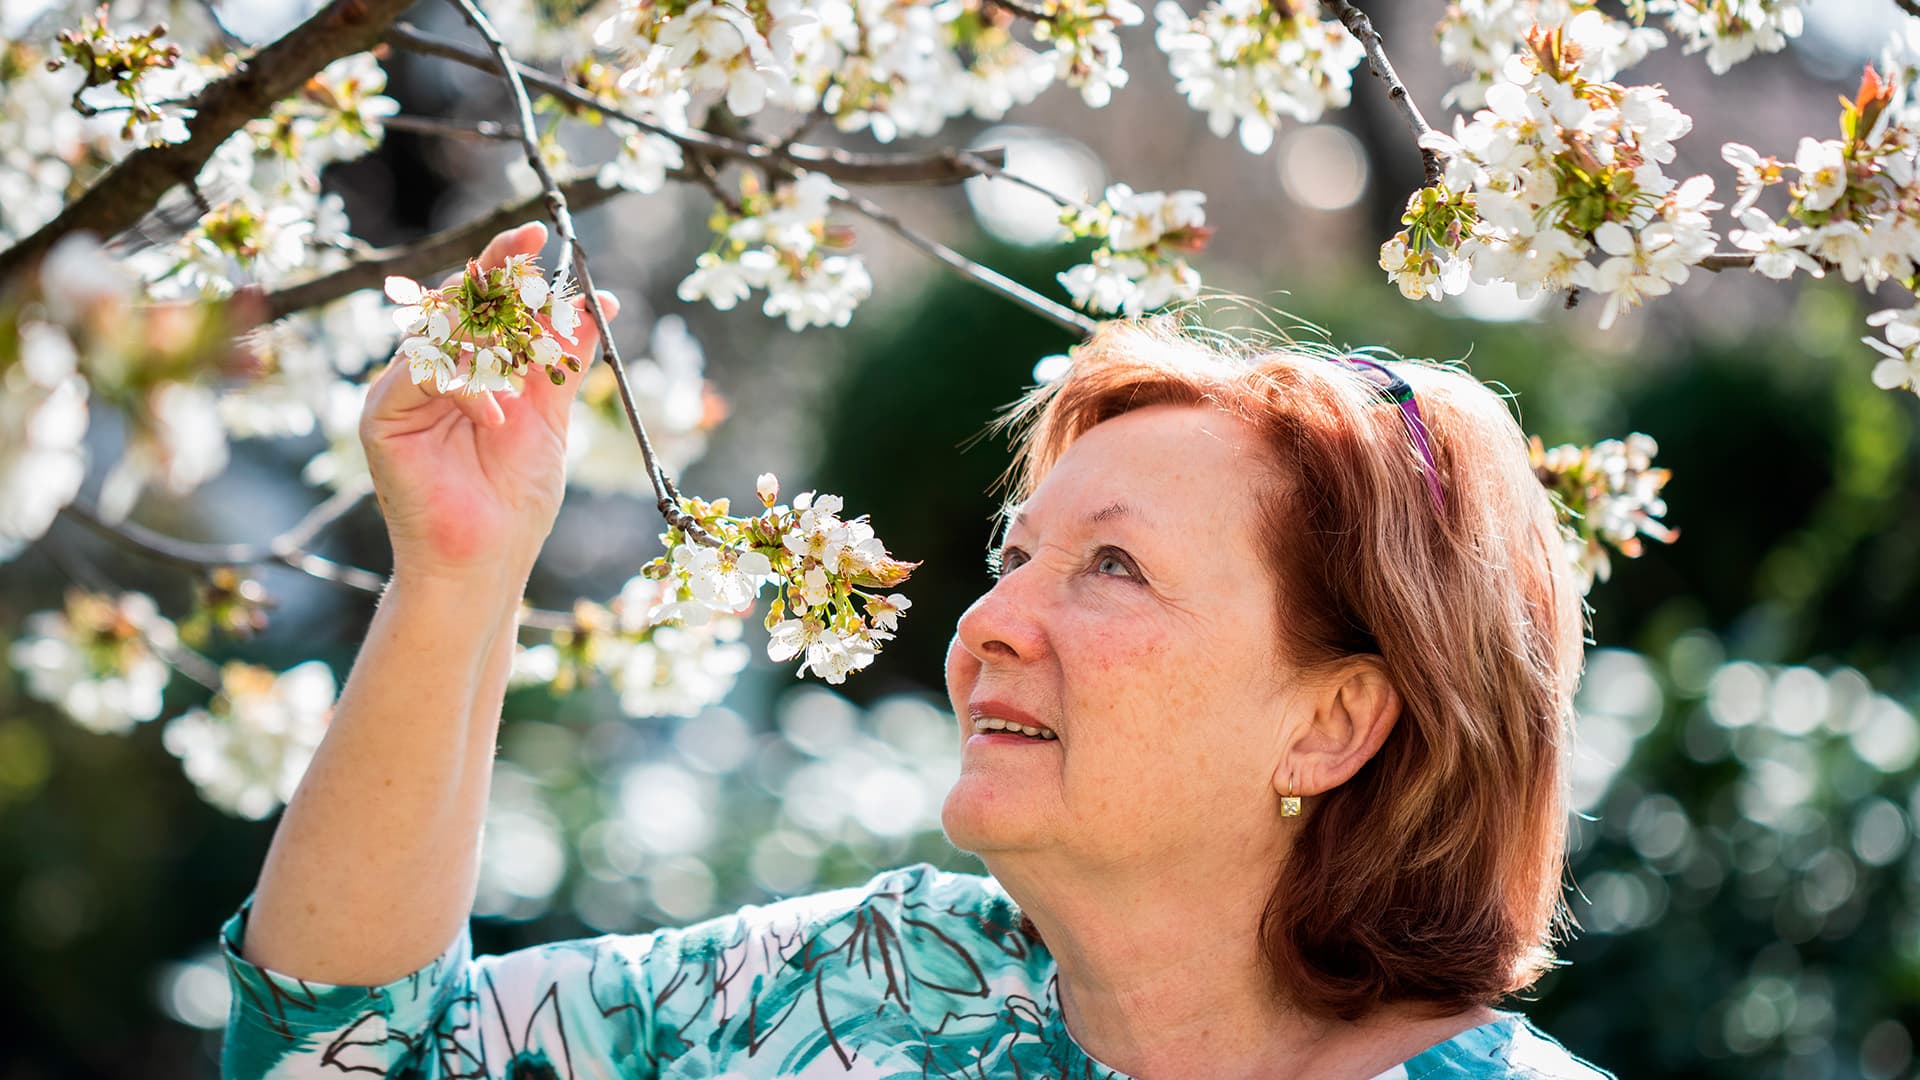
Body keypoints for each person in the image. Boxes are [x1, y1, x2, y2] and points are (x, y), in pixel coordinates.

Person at [221, 222, 1610, 1079]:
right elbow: (344, 1063)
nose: (989, 622)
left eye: (1112, 567)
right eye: (1017, 558)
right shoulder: (867, 985)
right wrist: (459, 574)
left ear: (1332, 723)